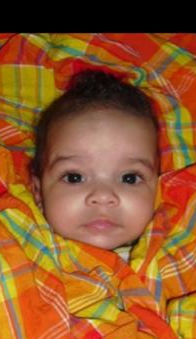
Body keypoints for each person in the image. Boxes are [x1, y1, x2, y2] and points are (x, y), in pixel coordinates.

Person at [30, 70, 159, 259]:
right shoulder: (22, 252)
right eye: (74, 177)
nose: (103, 196)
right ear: (38, 193)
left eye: (130, 178)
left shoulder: (175, 252)